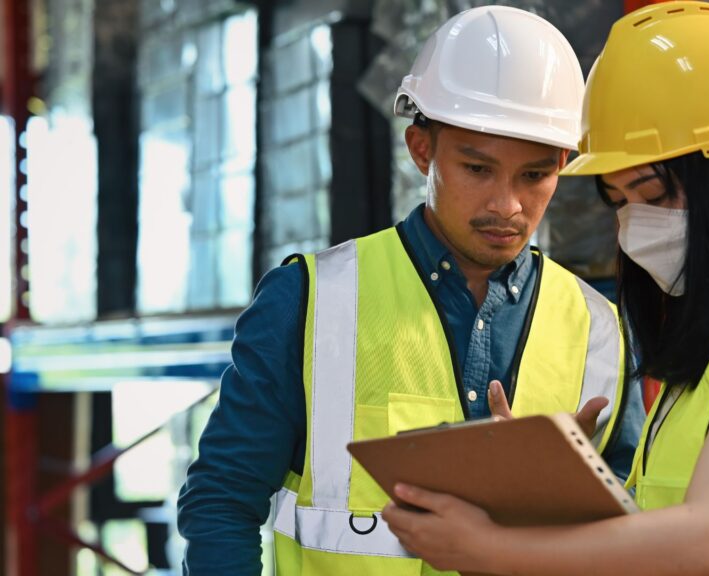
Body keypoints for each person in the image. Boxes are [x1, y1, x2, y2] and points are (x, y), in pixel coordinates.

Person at [381, 3, 709, 575]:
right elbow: (658, 533)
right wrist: (544, 485)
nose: (637, 226)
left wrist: (492, 551)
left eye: (654, 194)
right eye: (619, 201)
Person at [177, 6, 645, 575]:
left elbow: (633, 535)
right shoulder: (309, 301)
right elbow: (222, 501)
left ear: (564, 165)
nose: (508, 205)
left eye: (535, 175)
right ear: (422, 149)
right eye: (477, 169)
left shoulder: (600, 330)